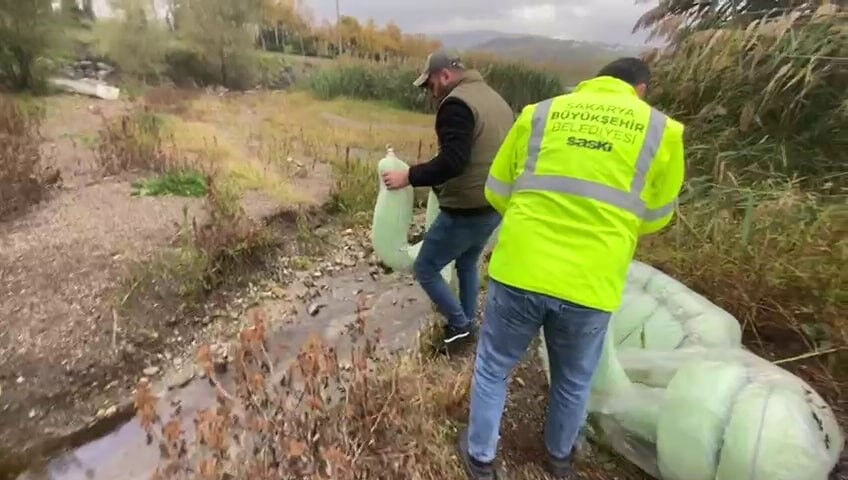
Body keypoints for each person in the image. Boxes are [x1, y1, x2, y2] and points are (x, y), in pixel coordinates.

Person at [456, 57, 686, 480]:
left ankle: (481, 457)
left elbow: (496, 191)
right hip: (591, 281)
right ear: (640, 90)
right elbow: (655, 217)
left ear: (594, 81)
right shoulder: (662, 131)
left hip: (522, 267)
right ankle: (559, 457)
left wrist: (535, 222)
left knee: (494, 366)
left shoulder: (540, 113)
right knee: (573, 379)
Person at [382, 51, 514, 348]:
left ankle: (460, 324)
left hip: (466, 208)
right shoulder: (494, 99)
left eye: (430, 85)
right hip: (493, 203)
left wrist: (409, 176)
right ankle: (468, 322)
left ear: (444, 76)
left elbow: (453, 162)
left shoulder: (456, 105)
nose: (431, 93)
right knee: (467, 263)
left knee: (426, 268)